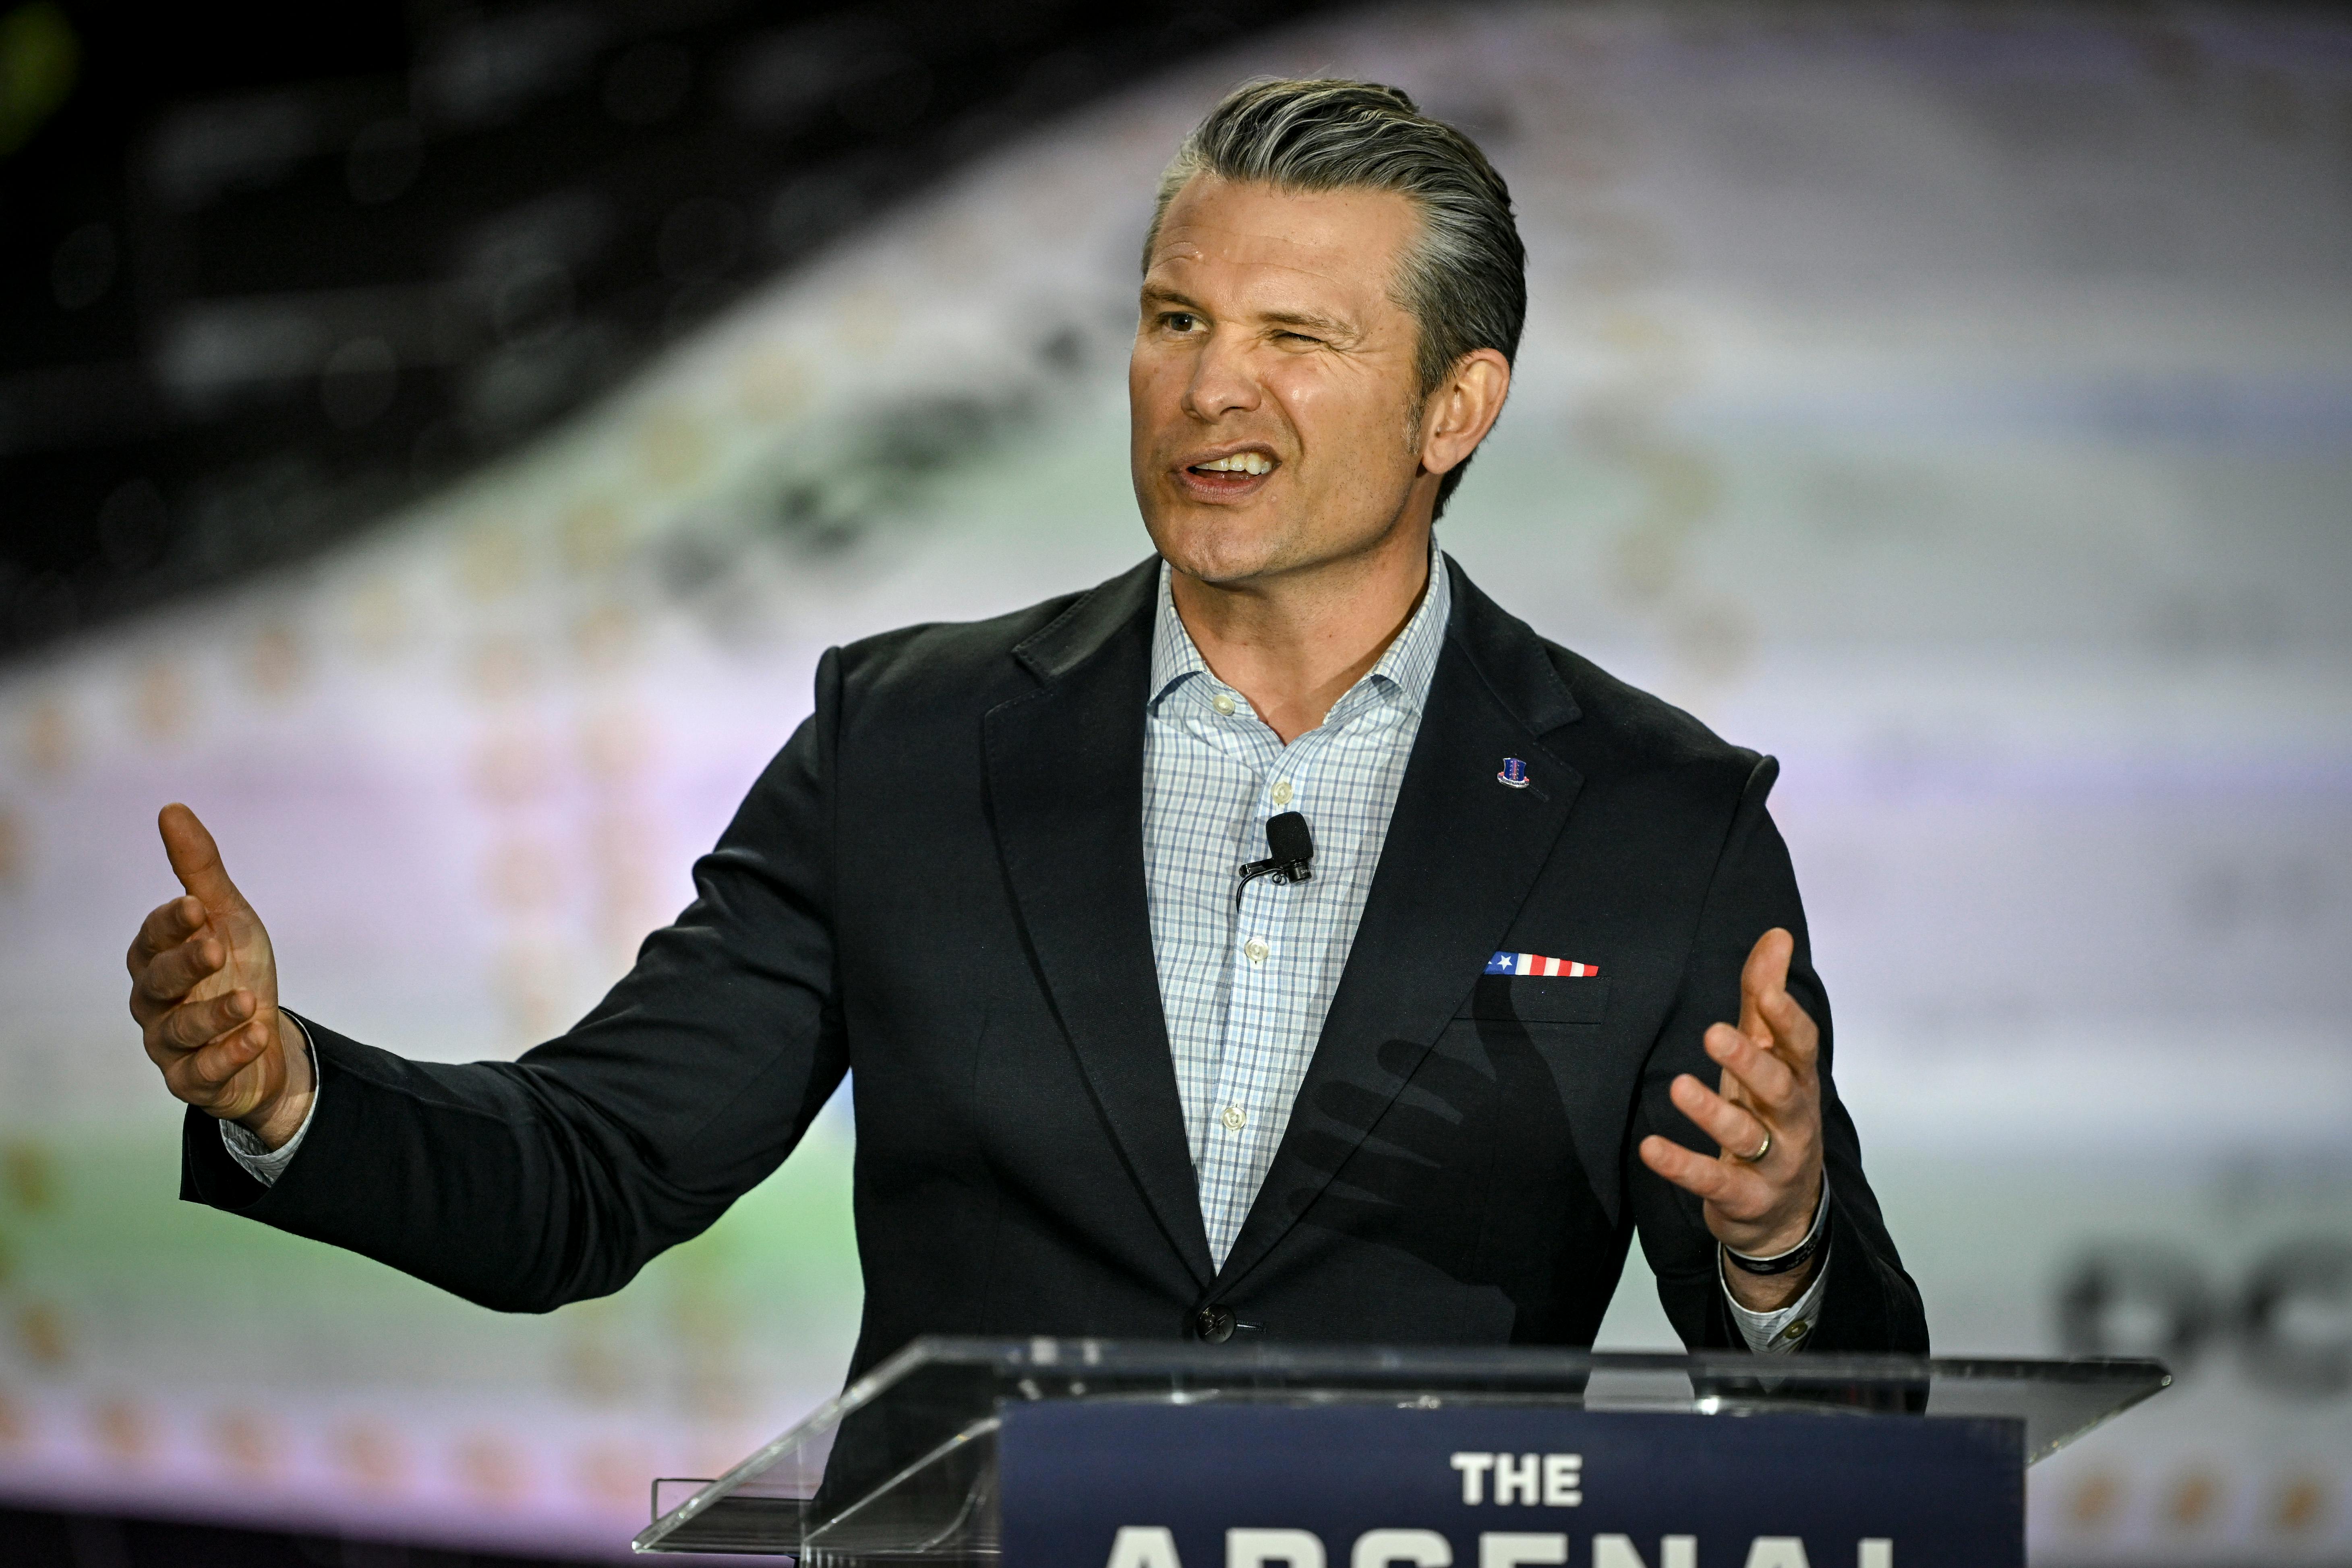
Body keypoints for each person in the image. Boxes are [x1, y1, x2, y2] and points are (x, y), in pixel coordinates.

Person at [126, 79, 1925, 1374]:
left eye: (1295, 337)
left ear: (1455, 406)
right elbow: (591, 1172)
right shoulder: (904, 743)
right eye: (1174, 318)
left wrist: (1776, 1245)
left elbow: (1859, 1407)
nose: (1209, 386)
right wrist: (290, 1096)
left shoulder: (1649, 815)